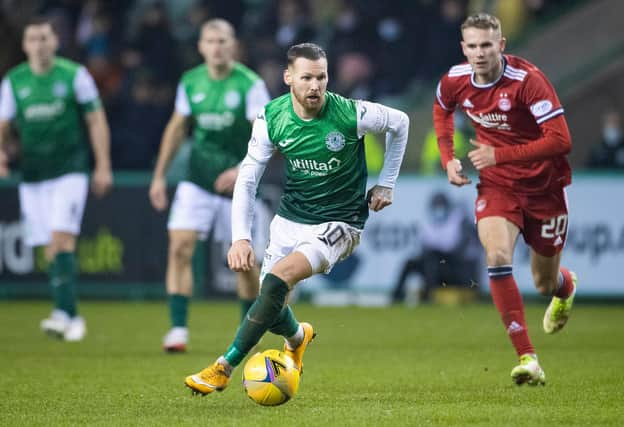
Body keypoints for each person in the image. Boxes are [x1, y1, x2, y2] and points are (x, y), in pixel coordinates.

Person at [184, 42, 409, 396]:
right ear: (289, 77)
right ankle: (298, 336)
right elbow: (247, 178)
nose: (315, 86)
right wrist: (240, 237)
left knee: (276, 280)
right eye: (306, 78)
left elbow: (401, 123)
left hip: (340, 223)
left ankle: (223, 367)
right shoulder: (271, 117)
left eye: (322, 77)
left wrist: (387, 184)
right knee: (272, 305)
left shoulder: (351, 113)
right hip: (290, 219)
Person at [433, 13, 577, 386]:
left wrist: (499, 155)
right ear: (463, 48)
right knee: (496, 256)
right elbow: (442, 110)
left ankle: (565, 286)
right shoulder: (454, 80)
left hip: (544, 189)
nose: (480, 53)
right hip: (497, 186)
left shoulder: (528, 82)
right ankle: (528, 357)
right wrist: (448, 158)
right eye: (473, 46)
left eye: (487, 44)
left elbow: (561, 140)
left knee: (544, 283)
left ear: (501, 44)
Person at [148, 19, 271, 353]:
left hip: (238, 187)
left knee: (245, 263)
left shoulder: (250, 85)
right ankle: (177, 330)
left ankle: (249, 332)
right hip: (197, 181)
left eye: (223, 41)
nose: (217, 47)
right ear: (201, 46)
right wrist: (159, 175)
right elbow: (176, 128)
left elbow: (266, 138)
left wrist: (240, 169)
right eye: (211, 41)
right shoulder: (191, 82)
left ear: (233, 46)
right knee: (179, 247)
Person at [0, 16, 112, 341]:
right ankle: (64, 312)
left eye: (45, 38)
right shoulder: (14, 81)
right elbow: (2, 125)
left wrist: (102, 164)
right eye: (34, 39)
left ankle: (70, 317)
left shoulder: (74, 75)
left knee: (61, 239)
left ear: (55, 42)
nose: (40, 44)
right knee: (49, 249)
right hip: (33, 174)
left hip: (69, 171)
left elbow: (96, 119)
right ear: (25, 44)